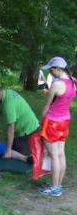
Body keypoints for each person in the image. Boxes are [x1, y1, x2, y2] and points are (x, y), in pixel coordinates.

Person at [38, 57, 76, 196]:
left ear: (58, 69)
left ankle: (54, 188)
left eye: (51, 70)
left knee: (54, 155)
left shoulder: (56, 84)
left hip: (52, 122)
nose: (50, 72)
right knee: (60, 154)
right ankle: (58, 185)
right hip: (64, 122)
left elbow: (46, 107)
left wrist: (40, 121)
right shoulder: (73, 83)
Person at [0, 84, 39, 160]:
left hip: (28, 131)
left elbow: (11, 129)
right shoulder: (7, 92)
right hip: (31, 125)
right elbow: (10, 111)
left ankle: (30, 154)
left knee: (16, 154)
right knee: (10, 148)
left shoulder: (8, 105)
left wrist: (8, 151)